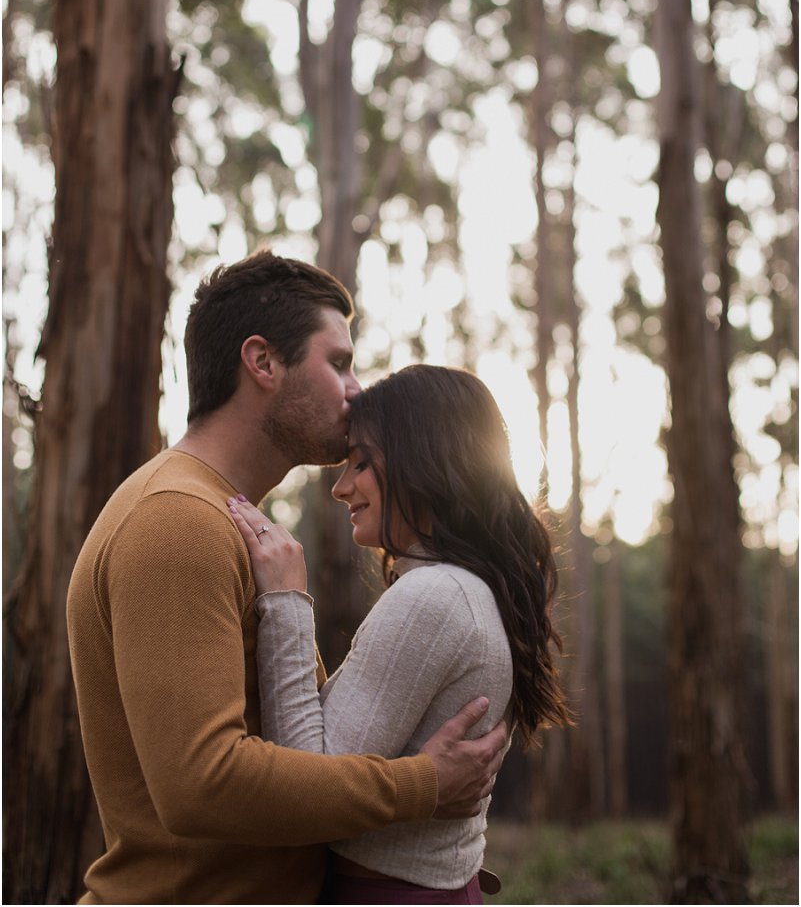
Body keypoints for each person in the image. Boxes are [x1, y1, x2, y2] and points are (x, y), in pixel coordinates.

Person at [66, 251, 507, 906]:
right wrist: (422, 786)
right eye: (337, 362)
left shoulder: (222, 518)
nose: (356, 388)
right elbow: (202, 785)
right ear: (262, 362)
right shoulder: (176, 520)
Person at [230, 363, 570, 905]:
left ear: (424, 463)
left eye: (361, 463)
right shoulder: (476, 588)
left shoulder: (433, 597)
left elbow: (309, 786)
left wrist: (286, 601)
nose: (341, 488)